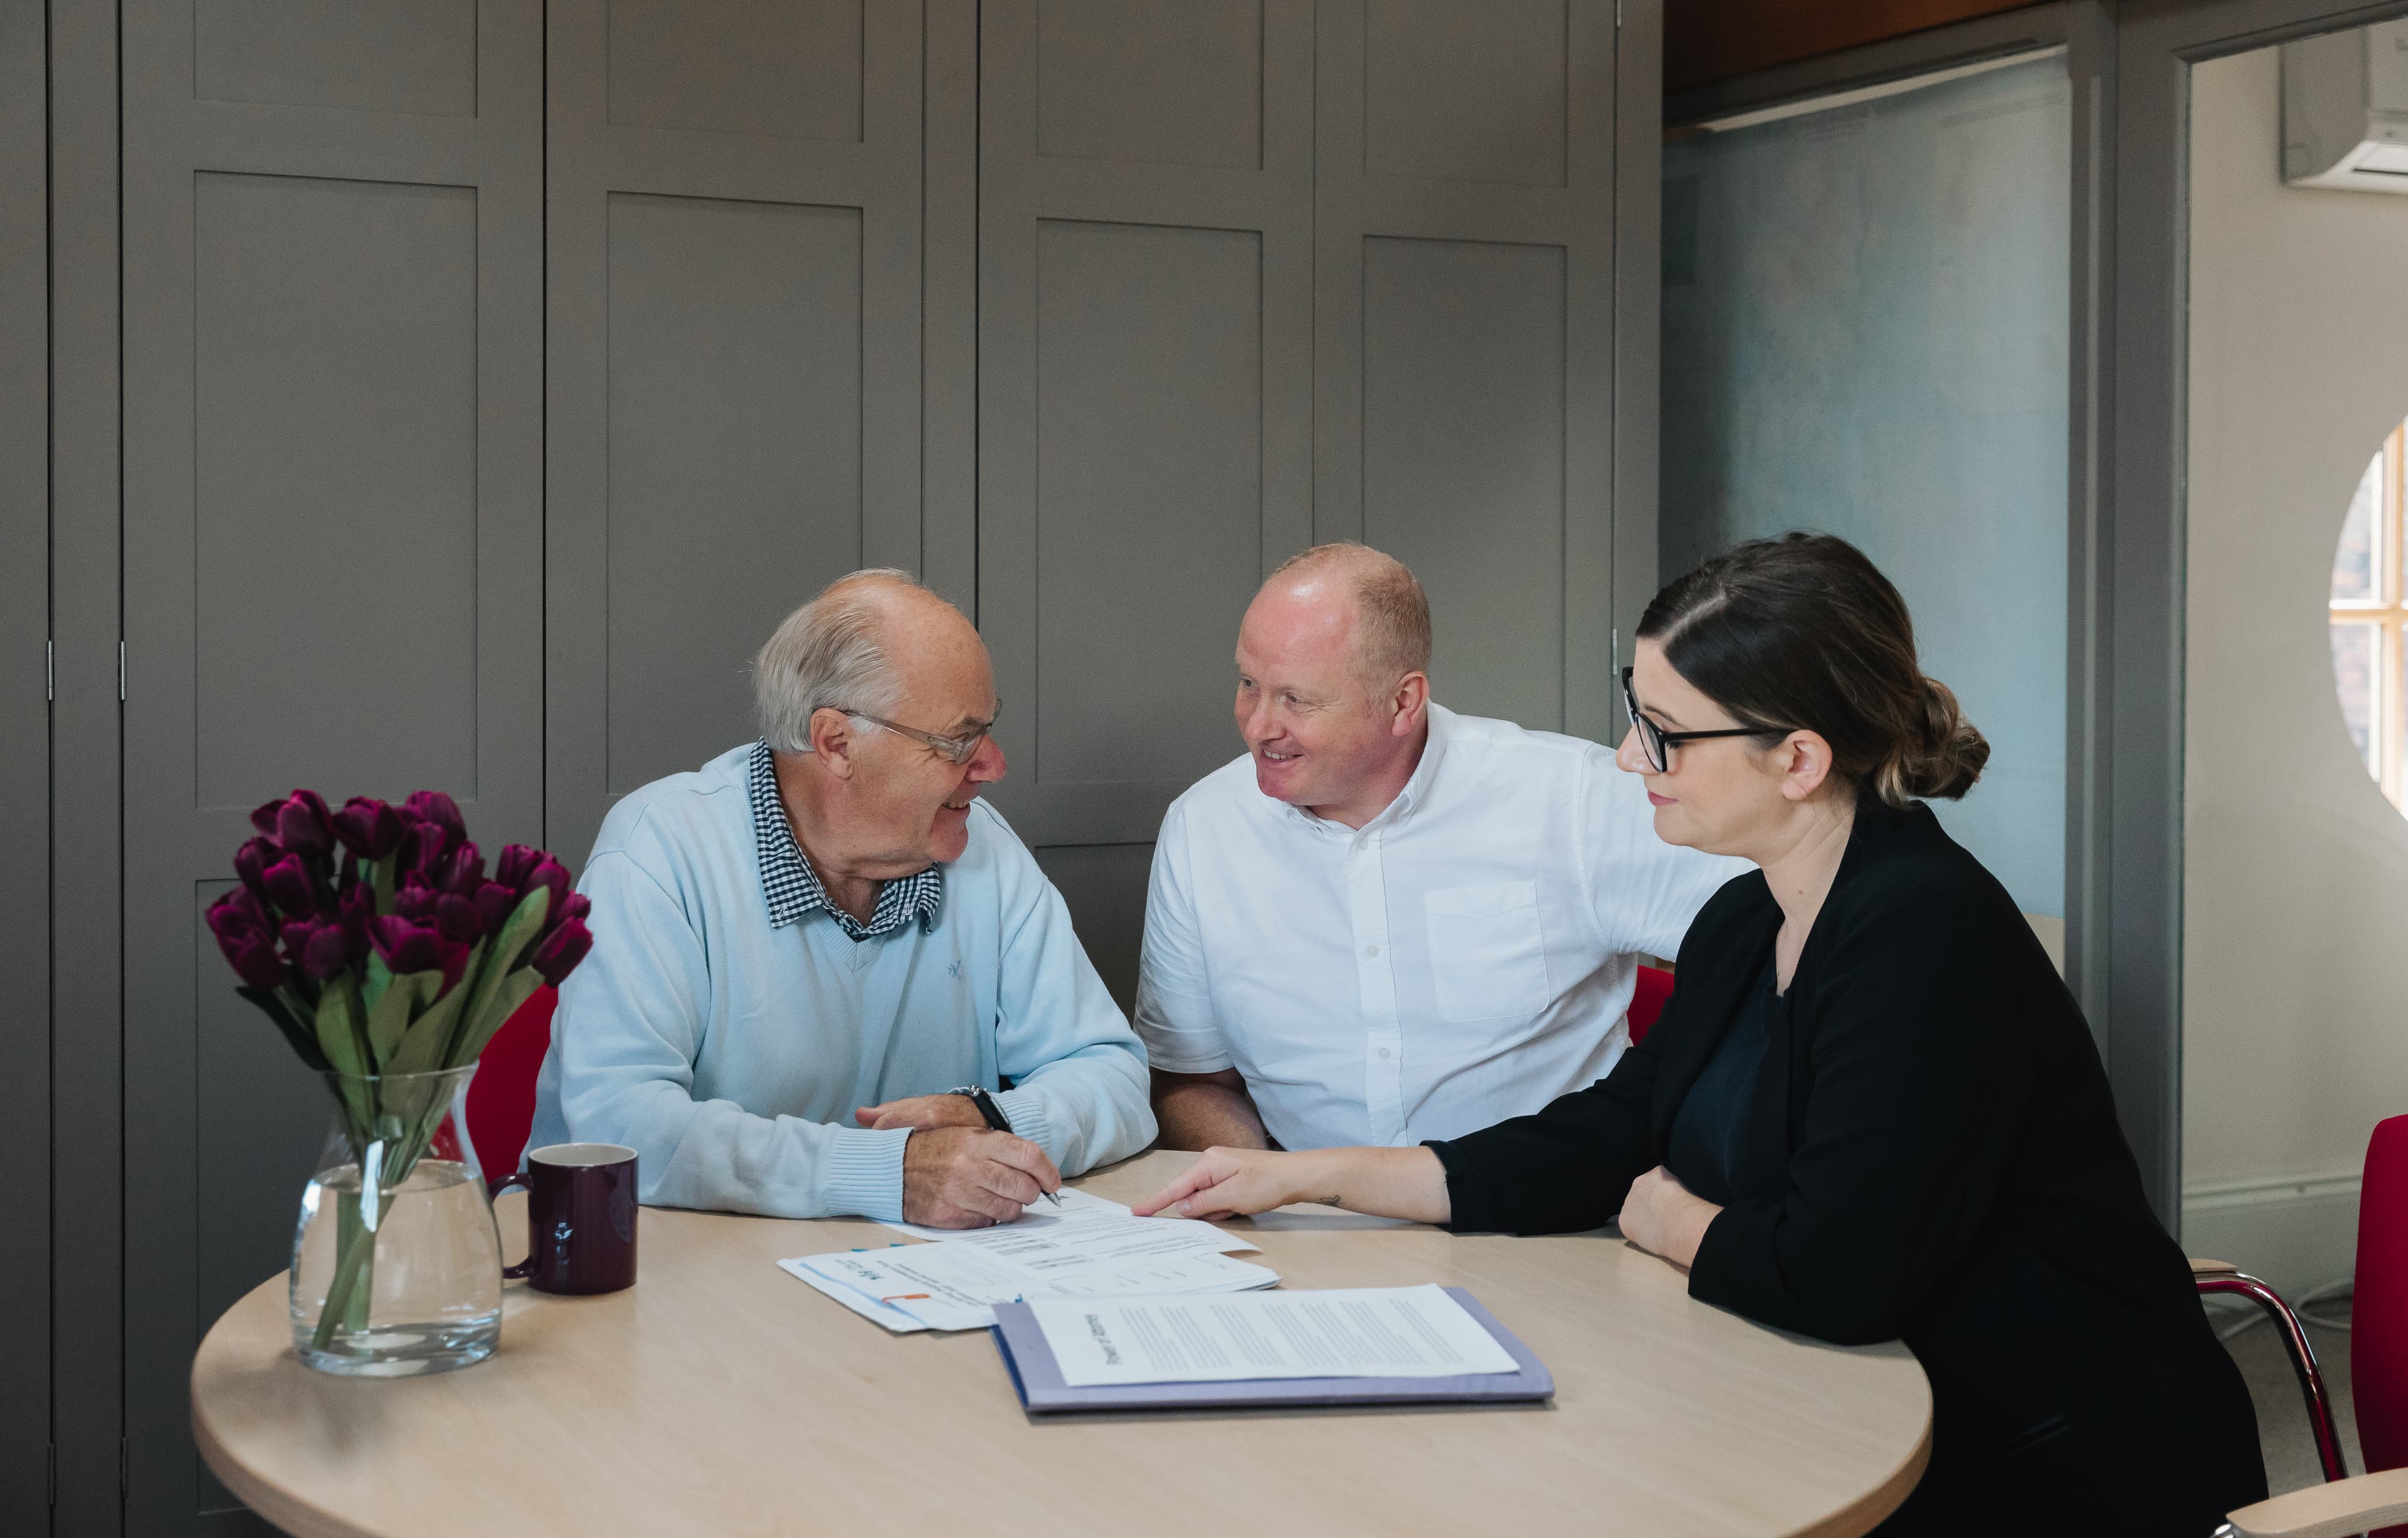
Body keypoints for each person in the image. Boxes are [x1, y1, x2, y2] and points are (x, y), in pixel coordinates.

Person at [1136, 534, 2266, 1535]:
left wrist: (1671, 1215)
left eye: (1664, 734)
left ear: (1799, 759)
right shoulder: (1749, 909)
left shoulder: (1924, 931)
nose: (1630, 760)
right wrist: (1311, 1177)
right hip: (1846, 1403)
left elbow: (1837, 1274)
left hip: (2052, 1458)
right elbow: (1606, 1134)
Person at [529, 570, 1154, 1228]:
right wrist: (886, 1172)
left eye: (988, 730)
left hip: (904, 1283)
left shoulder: (984, 850)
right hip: (663, 1275)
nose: (994, 764)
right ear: (836, 743)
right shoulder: (659, 851)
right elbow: (623, 1129)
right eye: (957, 742)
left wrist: (989, 1115)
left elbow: (1114, 1076)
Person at [1135, 543, 1743, 1152]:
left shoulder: (1574, 798)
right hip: (1305, 1227)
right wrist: (1261, 1186)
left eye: (1297, 698)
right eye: (1249, 683)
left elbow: (1789, 943)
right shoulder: (1203, 826)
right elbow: (1190, 1080)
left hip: (1550, 1222)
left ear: (1404, 701)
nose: (1258, 724)